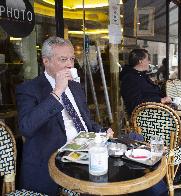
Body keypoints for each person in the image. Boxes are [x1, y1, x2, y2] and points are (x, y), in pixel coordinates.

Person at [16, 36, 113, 195]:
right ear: (46, 61)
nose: (69, 64)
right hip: (53, 162)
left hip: (86, 154)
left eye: (72, 59)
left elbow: (84, 121)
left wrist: (101, 131)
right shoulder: (29, 89)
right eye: (63, 59)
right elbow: (26, 127)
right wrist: (57, 91)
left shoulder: (75, 87)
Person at [120, 49, 181, 165]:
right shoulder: (130, 78)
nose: (149, 61)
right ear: (140, 61)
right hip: (148, 119)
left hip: (157, 113)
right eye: (147, 59)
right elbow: (135, 102)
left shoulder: (139, 76)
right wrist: (160, 100)